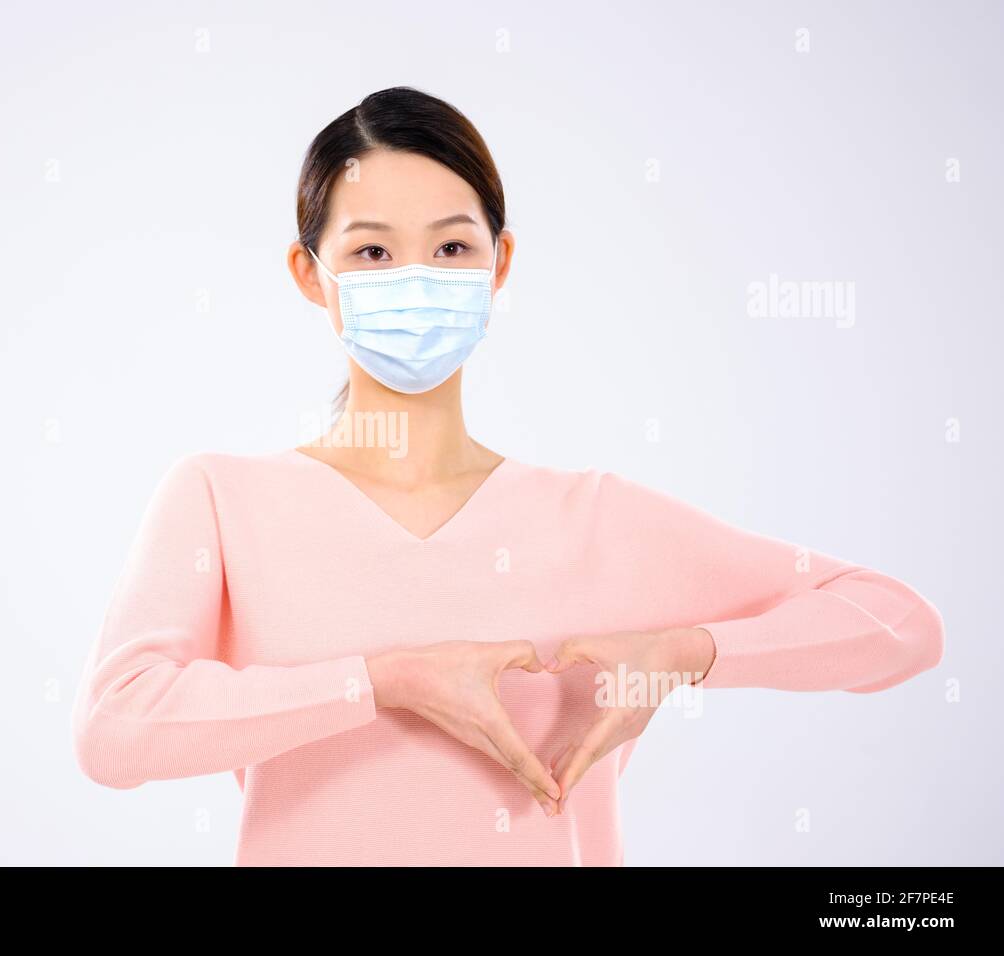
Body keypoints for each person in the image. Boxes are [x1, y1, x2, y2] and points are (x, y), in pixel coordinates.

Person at [70, 86, 945, 866]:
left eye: (452, 248)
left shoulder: (597, 519)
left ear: (501, 264)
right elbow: (115, 731)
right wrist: (386, 680)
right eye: (373, 253)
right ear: (311, 274)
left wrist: (685, 654)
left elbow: (899, 623)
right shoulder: (222, 500)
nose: (416, 278)